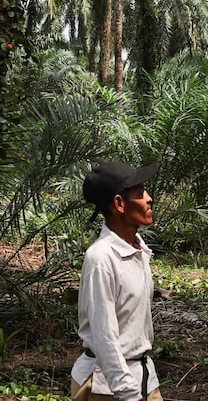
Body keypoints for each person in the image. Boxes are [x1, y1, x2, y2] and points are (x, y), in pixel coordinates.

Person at [71, 160, 161, 401]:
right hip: (108, 387)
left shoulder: (139, 252)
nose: (149, 198)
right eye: (140, 193)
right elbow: (104, 336)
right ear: (119, 204)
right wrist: (129, 394)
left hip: (142, 378)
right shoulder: (101, 258)